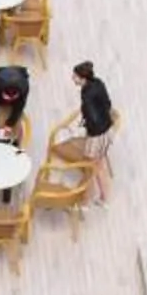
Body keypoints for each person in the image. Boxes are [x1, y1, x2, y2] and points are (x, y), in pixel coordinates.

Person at [51, 60, 118, 206]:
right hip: (107, 130)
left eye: (75, 76)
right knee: (97, 165)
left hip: (96, 135)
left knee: (91, 167)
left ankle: (86, 198)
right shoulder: (99, 83)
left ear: (83, 78)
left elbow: (91, 115)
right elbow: (107, 104)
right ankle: (102, 196)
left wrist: (87, 126)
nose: (72, 78)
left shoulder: (86, 94)